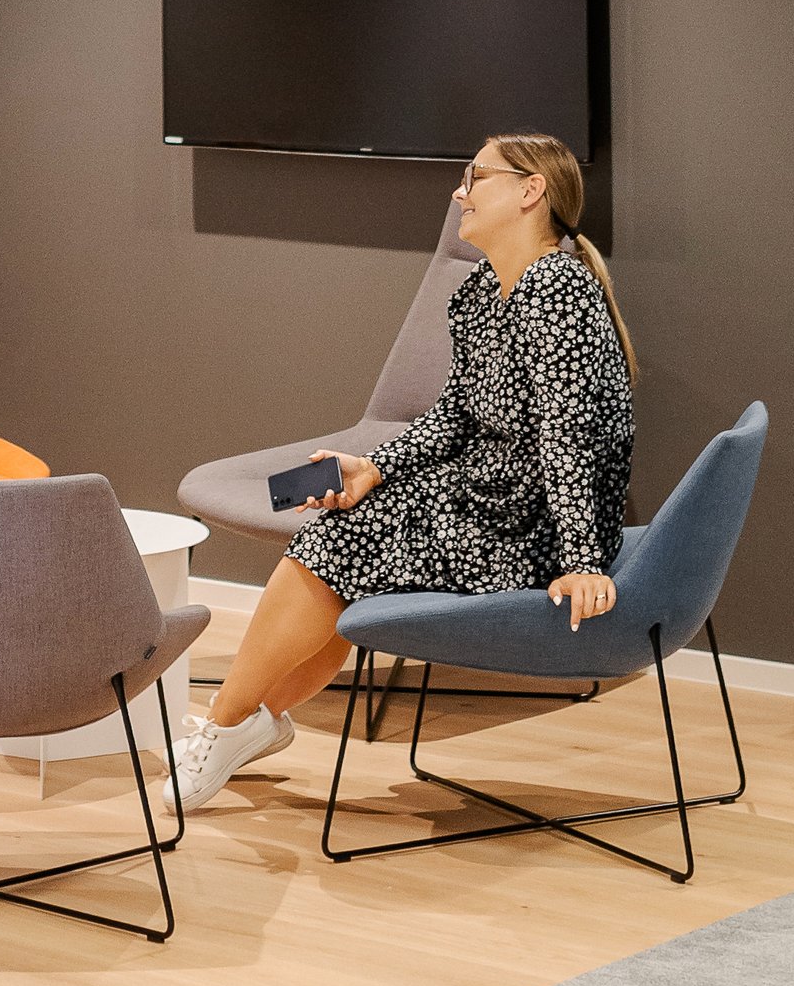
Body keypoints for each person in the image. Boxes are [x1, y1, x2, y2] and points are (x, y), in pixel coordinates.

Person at [174, 131, 636, 814]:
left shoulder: (556, 287)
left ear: (530, 191)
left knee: (338, 540)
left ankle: (223, 726)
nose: (460, 193)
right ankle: (247, 723)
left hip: (531, 521)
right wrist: (373, 466)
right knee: (332, 509)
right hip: (484, 493)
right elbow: (454, 414)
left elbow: (569, 440)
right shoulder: (482, 291)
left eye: (476, 177)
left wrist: (582, 561)